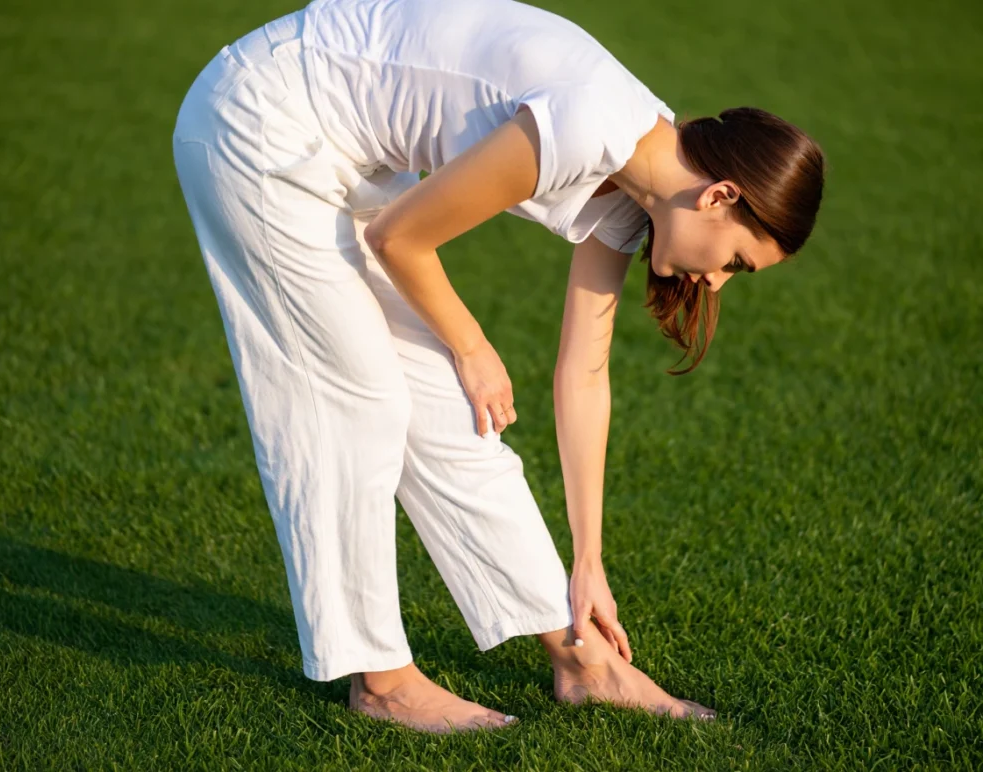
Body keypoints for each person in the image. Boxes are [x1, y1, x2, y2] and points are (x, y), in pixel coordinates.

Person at [172, 0, 824, 734]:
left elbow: (584, 373)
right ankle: (381, 681)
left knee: (454, 414)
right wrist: (473, 346)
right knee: (358, 400)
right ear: (720, 195)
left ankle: (582, 659)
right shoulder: (591, 126)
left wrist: (590, 559)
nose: (717, 282)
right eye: (737, 260)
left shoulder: (635, 184)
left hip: (340, 155)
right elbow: (400, 238)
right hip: (258, 122)